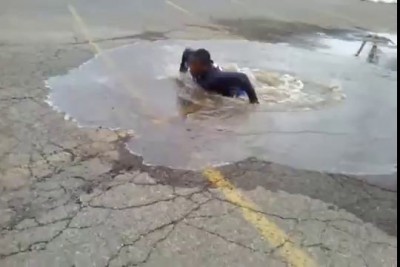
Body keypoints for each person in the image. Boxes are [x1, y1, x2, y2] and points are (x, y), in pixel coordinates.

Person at [179, 48, 259, 104]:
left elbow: (243, 78)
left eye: (194, 65)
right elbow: (186, 52)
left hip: (234, 91)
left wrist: (254, 101)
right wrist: (182, 72)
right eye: (190, 64)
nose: (190, 67)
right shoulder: (192, 58)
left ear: (204, 67)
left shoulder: (212, 79)